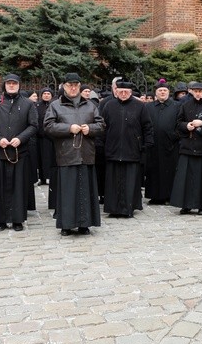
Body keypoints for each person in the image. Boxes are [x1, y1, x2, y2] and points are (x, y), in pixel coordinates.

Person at [44, 73, 105, 236]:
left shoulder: (90, 105)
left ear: (80, 86)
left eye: (76, 85)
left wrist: (90, 129)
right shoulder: (55, 105)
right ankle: (67, 224)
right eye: (70, 85)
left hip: (86, 153)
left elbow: (101, 125)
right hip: (66, 153)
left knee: (86, 191)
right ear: (64, 86)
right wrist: (68, 128)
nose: (73, 88)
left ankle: (85, 224)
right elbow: (48, 126)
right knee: (68, 192)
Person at [0, 74, 38, 232]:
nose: (12, 86)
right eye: (9, 83)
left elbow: (33, 125)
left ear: (19, 85)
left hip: (20, 151)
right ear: (4, 85)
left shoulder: (27, 103)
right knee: (0, 187)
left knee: (18, 186)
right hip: (1, 151)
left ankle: (17, 219)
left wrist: (20, 138)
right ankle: (0, 219)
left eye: (15, 83)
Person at [101, 81, 154, 218]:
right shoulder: (109, 105)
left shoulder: (140, 106)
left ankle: (128, 208)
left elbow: (147, 127)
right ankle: (113, 208)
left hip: (132, 149)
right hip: (113, 149)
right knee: (113, 182)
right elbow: (102, 126)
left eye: (126, 92)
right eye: (120, 91)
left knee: (130, 182)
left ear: (131, 93)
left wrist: (146, 144)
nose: (123, 94)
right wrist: (101, 143)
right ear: (116, 92)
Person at [170, 82, 202, 215]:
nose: (198, 93)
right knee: (186, 178)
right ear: (191, 92)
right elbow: (178, 123)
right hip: (188, 145)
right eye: (195, 91)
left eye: (200, 91)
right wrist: (186, 126)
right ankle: (185, 205)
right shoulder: (185, 105)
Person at [145, 81, 180, 205]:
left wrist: (174, 136)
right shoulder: (148, 107)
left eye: (164, 90)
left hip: (170, 144)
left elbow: (180, 123)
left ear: (168, 92)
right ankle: (154, 196)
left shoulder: (176, 106)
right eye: (160, 90)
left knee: (169, 170)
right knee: (153, 170)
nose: (162, 92)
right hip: (153, 144)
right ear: (156, 92)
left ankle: (168, 196)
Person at [35, 87, 55, 186]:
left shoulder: (54, 106)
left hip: (50, 137)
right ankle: (42, 178)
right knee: (40, 158)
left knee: (49, 158)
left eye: (48, 94)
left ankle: (49, 177)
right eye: (44, 94)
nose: (46, 95)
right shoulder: (37, 106)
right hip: (39, 137)